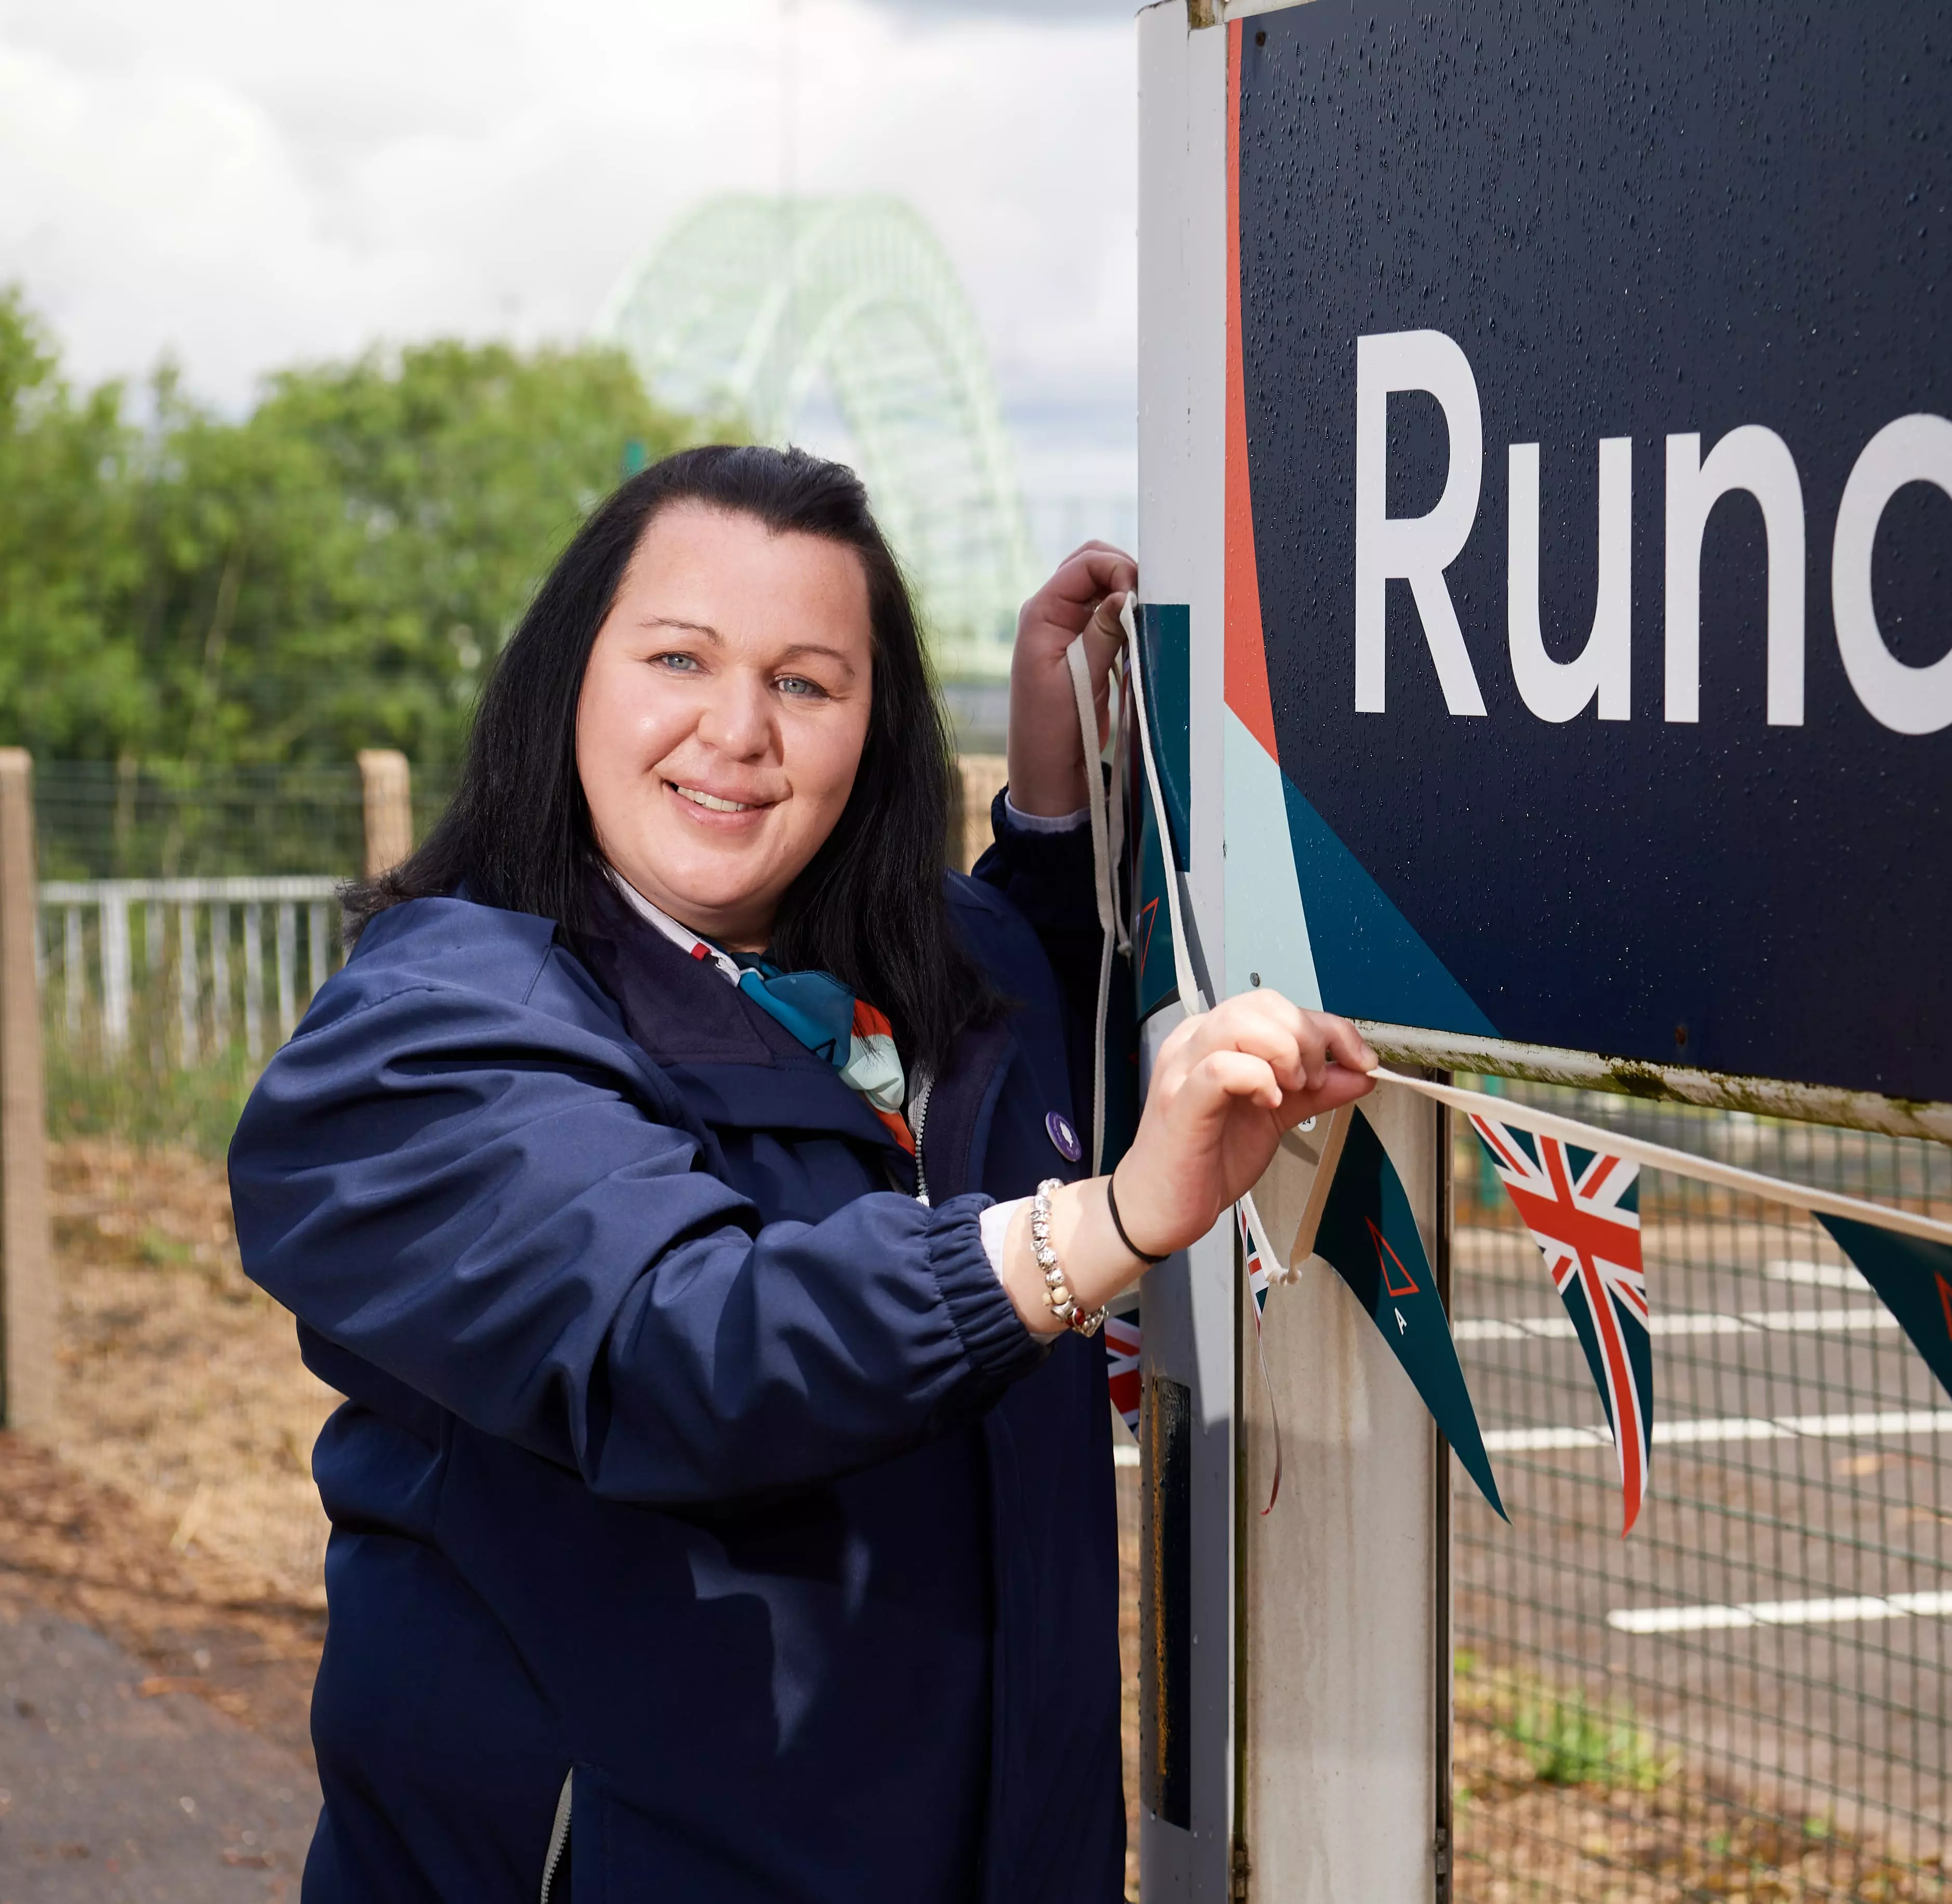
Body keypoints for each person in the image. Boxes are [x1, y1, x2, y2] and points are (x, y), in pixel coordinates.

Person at [227, 444, 1373, 1902]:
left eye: (808, 683)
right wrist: (1111, 1222)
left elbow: (1019, 1036)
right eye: (680, 659)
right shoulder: (429, 1038)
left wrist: (1052, 815)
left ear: (875, 732)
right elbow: (678, 1344)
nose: (739, 730)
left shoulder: (916, 996)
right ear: (565, 684)